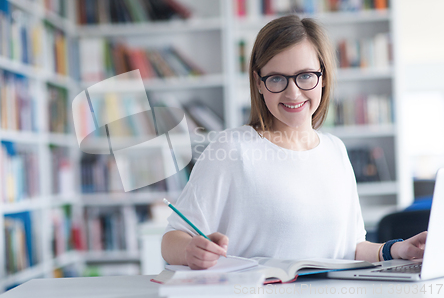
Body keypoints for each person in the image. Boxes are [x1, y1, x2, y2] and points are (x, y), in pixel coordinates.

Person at [161, 15, 426, 270]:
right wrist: (189, 251)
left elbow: (351, 249)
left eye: (306, 75)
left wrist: (397, 250)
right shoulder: (232, 148)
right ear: (259, 83)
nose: (293, 92)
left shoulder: (335, 150)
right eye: (276, 78)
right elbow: (171, 239)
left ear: (322, 77)